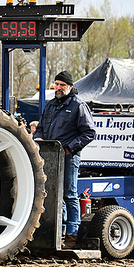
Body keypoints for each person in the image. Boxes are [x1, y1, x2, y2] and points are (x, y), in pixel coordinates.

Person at [33, 70, 96, 248]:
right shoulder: (51, 105)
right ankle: (56, 233)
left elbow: (89, 133)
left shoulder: (78, 105)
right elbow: (41, 126)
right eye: (57, 84)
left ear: (70, 87)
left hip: (68, 157)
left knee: (69, 194)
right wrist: (38, 137)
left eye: (62, 85)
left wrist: (69, 148)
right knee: (53, 194)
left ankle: (72, 235)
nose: (58, 88)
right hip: (50, 157)